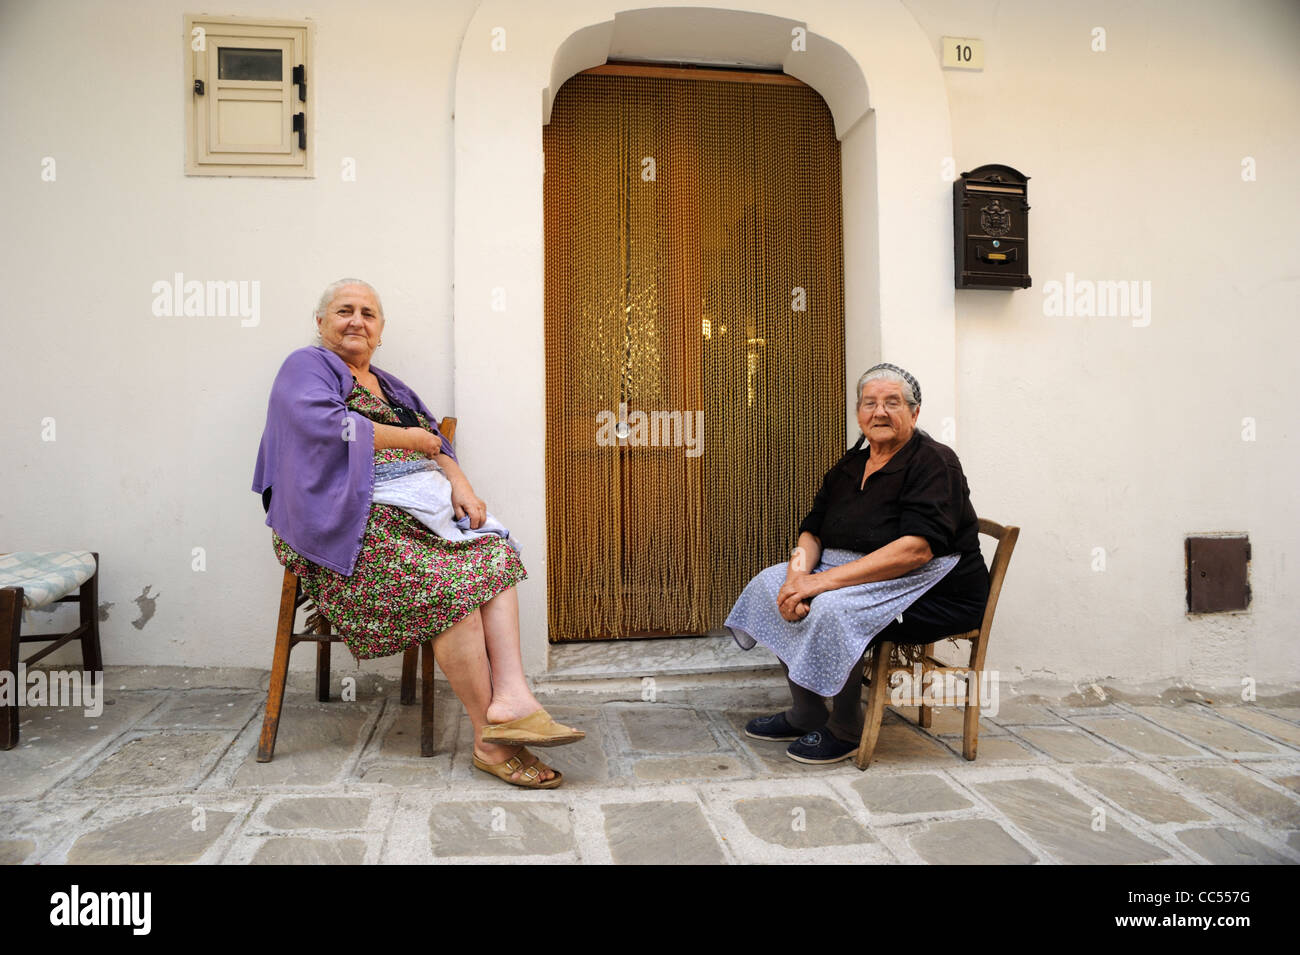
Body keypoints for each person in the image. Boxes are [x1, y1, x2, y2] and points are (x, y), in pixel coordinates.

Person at [252, 278, 583, 788]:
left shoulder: (392, 386)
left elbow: (437, 447)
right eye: (344, 311)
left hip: (413, 512)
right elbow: (324, 424)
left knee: (493, 554)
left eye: (368, 313)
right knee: (451, 593)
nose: (356, 321)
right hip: (347, 521)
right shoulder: (307, 365)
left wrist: (463, 488)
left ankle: (514, 697)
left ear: (381, 331)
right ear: (321, 323)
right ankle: (491, 741)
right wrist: (410, 439)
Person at [725, 362, 989, 764]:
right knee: (769, 585)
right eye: (870, 403)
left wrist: (819, 584)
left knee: (831, 608)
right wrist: (797, 577)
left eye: (892, 403)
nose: (879, 412)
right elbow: (812, 531)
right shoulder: (851, 464)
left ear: (914, 413)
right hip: (854, 569)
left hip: (932, 589)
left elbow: (916, 550)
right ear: (859, 412)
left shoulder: (935, 462)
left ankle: (846, 725)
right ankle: (807, 710)